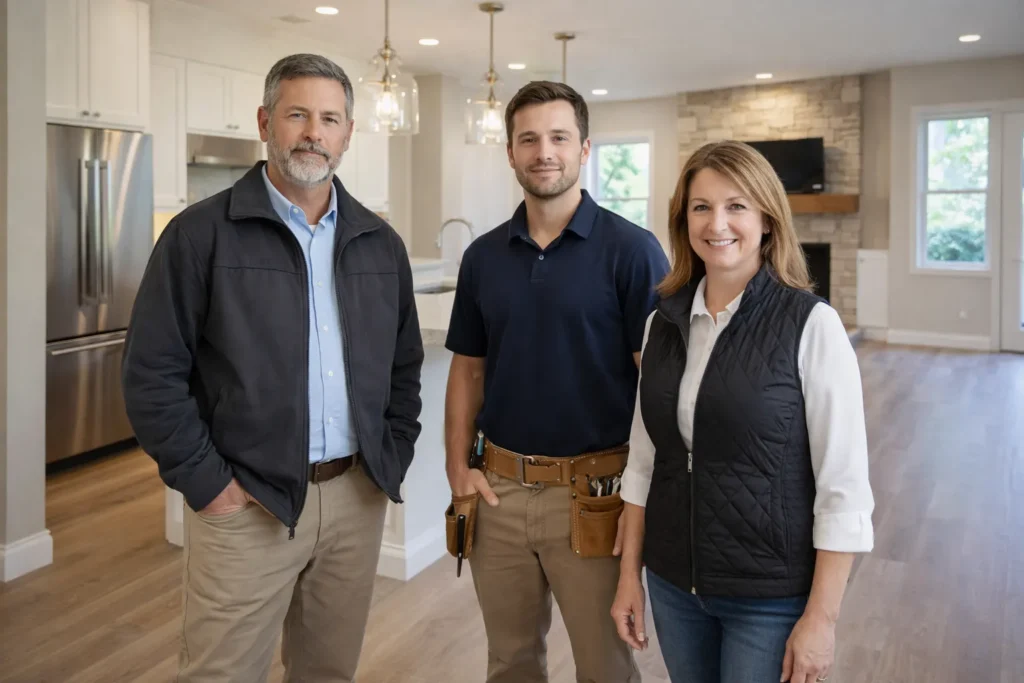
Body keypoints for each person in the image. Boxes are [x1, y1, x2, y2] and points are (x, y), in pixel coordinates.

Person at [121, 53, 423, 683]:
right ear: (266, 122)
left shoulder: (379, 244)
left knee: (328, 672)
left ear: (347, 133)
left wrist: (389, 455)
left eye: (330, 118)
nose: (314, 132)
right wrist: (209, 486)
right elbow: (151, 375)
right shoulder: (199, 235)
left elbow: (403, 368)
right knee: (220, 673)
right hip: (246, 503)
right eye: (297, 114)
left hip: (354, 499)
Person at [610, 139, 874, 683]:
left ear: (768, 220)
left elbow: (843, 489)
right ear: (683, 221)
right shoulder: (661, 324)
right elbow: (642, 463)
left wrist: (821, 620)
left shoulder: (812, 325)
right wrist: (629, 577)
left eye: (736, 206)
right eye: (701, 207)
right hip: (672, 586)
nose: (717, 223)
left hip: (769, 598)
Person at [443, 80, 670, 683]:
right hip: (498, 491)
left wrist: (644, 501)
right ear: (511, 153)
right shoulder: (484, 257)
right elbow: (468, 368)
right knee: (510, 662)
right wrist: (457, 469)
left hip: (596, 495)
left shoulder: (633, 251)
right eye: (529, 139)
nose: (544, 151)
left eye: (559, 137)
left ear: (585, 148)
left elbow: (658, 390)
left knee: (605, 668)